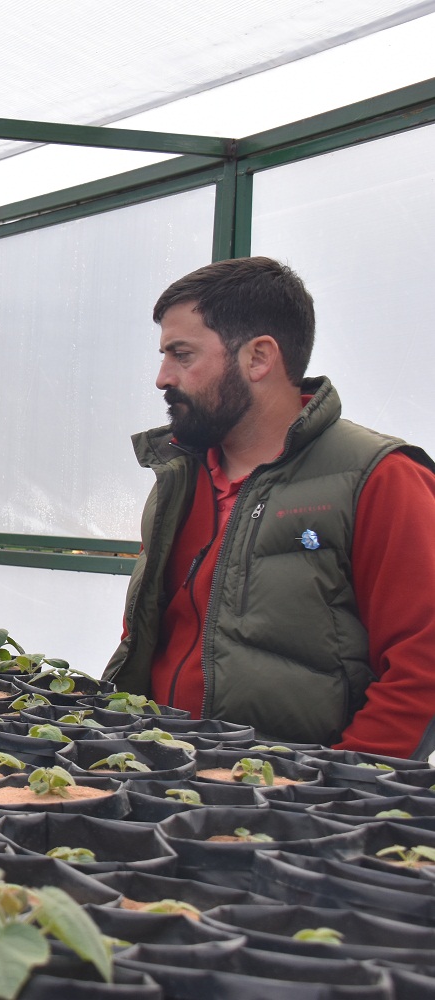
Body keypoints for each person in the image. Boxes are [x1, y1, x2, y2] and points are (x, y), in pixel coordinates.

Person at [104, 256, 435, 759]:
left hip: (294, 803)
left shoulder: (379, 477)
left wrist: (343, 789)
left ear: (259, 358)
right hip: (168, 776)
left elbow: (423, 661)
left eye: (182, 354)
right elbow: (145, 635)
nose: (162, 377)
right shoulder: (179, 479)